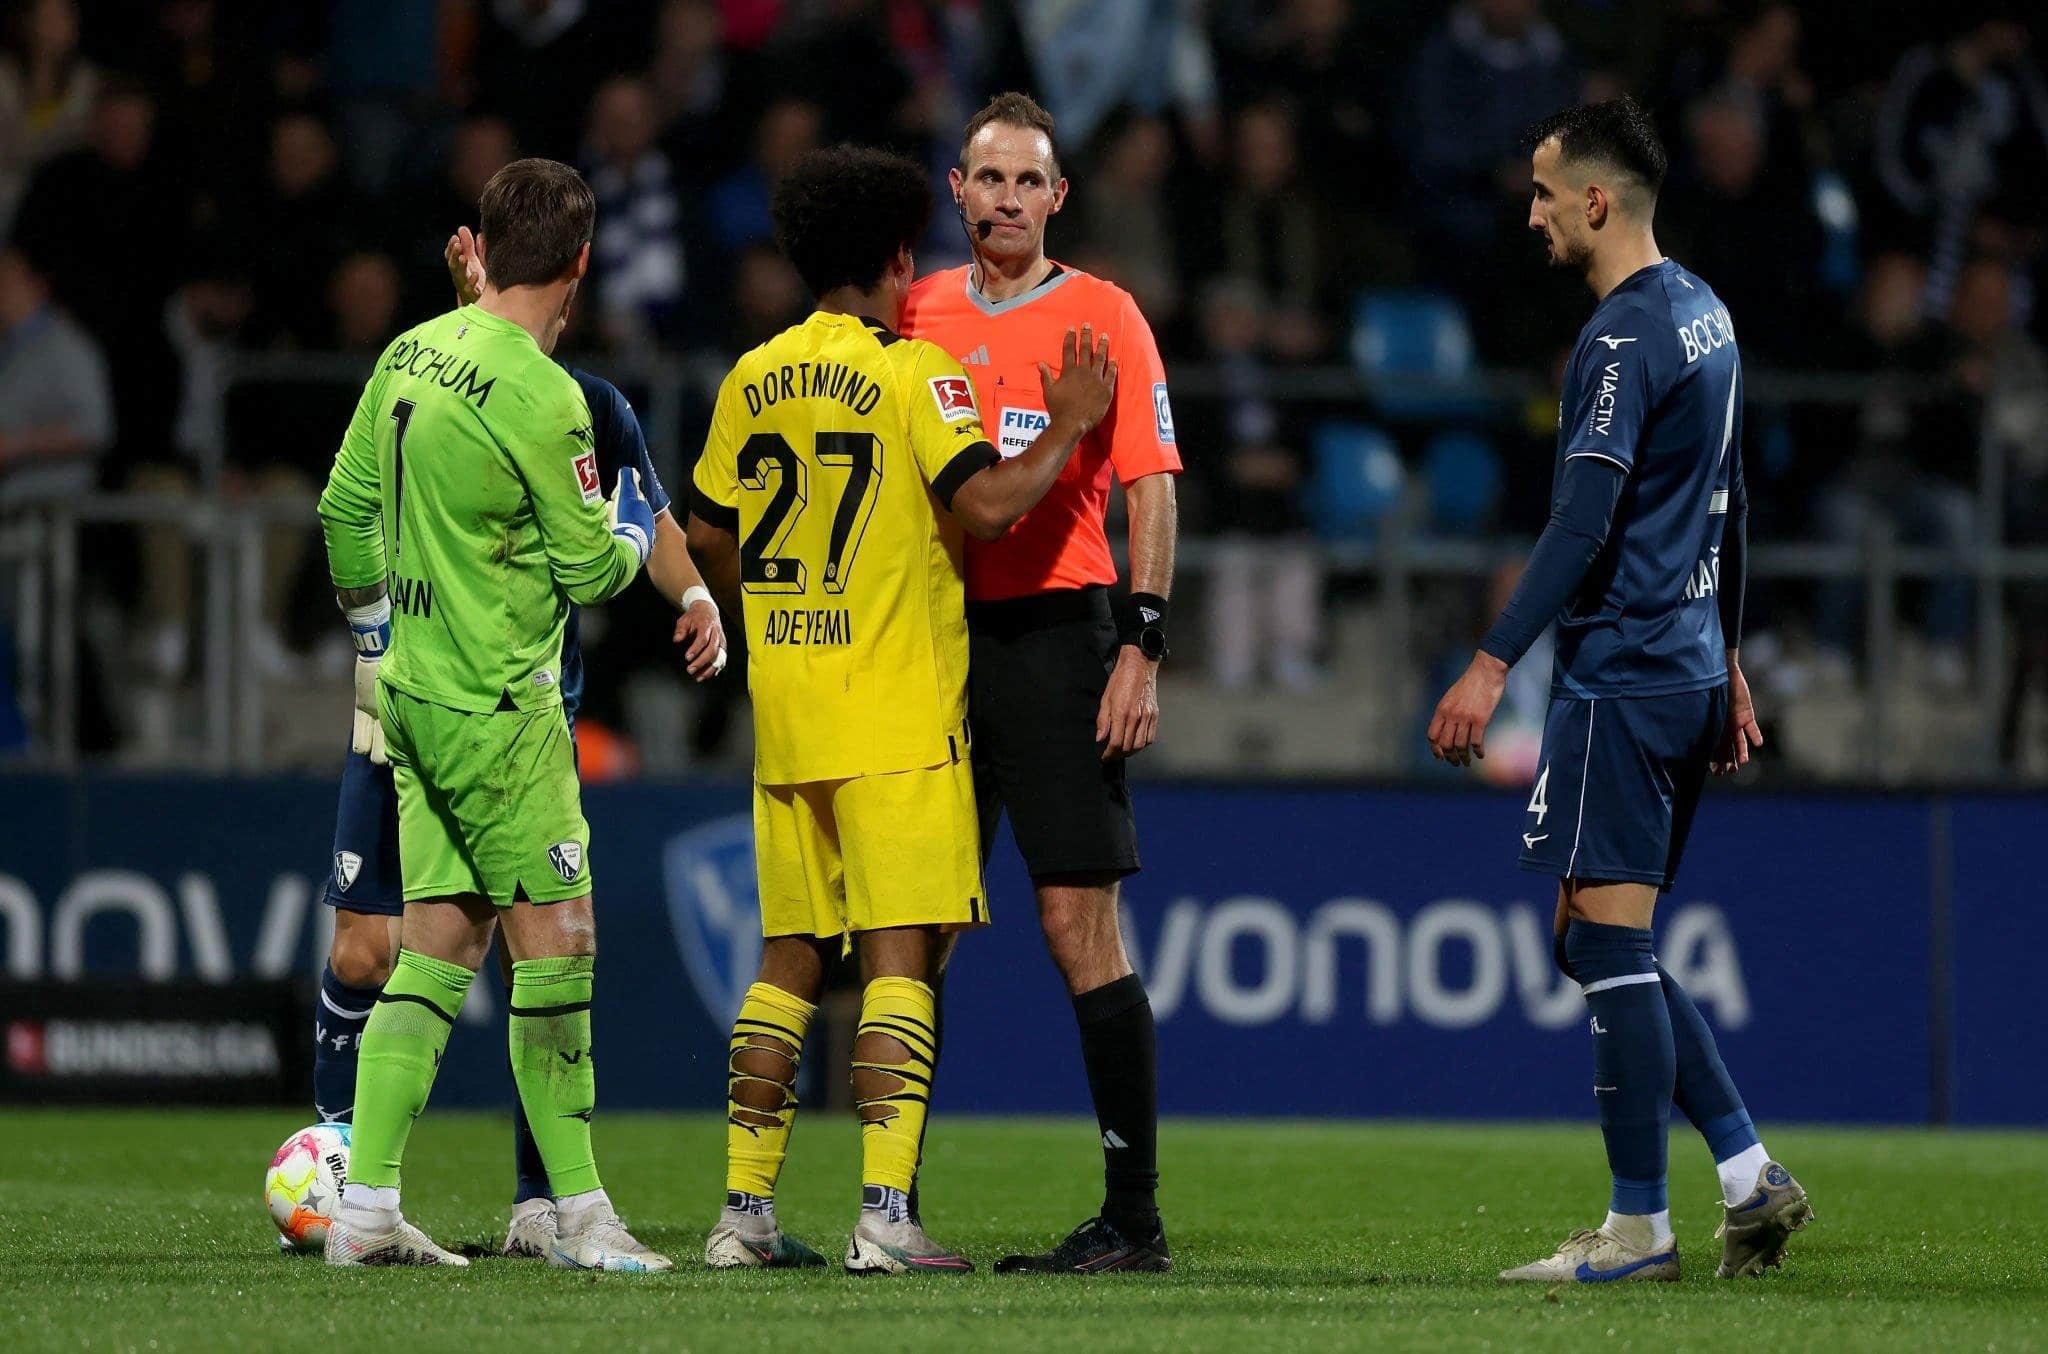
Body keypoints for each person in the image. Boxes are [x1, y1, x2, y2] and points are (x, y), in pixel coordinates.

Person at [684, 144, 1115, 1275]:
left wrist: (777, 610)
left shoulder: (750, 376)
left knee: (784, 960)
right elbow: (988, 506)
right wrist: (1067, 423)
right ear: (891, 257)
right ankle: (883, 1215)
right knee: (895, 958)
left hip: (787, 717)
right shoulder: (913, 373)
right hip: (892, 713)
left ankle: (741, 1213)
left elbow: (706, 534)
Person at [1426, 97, 1811, 1284]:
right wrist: (1733, 655)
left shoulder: (1614, 340)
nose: (1532, 213)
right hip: (1688, 665)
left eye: (1544, 193)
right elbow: (1728, 504)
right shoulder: (1706, 314)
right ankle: (1745, 1172)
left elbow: (1583, 519)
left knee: (1603, 943)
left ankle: (1636, 1227)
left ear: (1595, 200)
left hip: (1621, 674)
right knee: (1597, 939)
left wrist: (1491, 659)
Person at [310, 221, 724, 1259]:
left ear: (485, 255)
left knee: (438, 946)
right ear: (581, 262)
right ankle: (575, 1213)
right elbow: (594, 572)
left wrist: (375, 637)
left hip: (408, 696)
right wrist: (629, 524)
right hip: (502, 708)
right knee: (562, 945)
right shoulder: (551, 399)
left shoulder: (411, 352)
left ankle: (363, 1210)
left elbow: (340, 505)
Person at [899, 90, 1182, 1275]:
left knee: (1077, 925)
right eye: (987, 178)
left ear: (1057, 198)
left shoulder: (1104, 314)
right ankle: (887, 1205)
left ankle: (1131, 1218)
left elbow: (1151, 487)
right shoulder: (910, 312)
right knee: (912, 932)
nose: (1007, 199)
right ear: (955, 191)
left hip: (1061, 640)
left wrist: (1140, 640)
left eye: (1028, 181)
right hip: (930, 641)